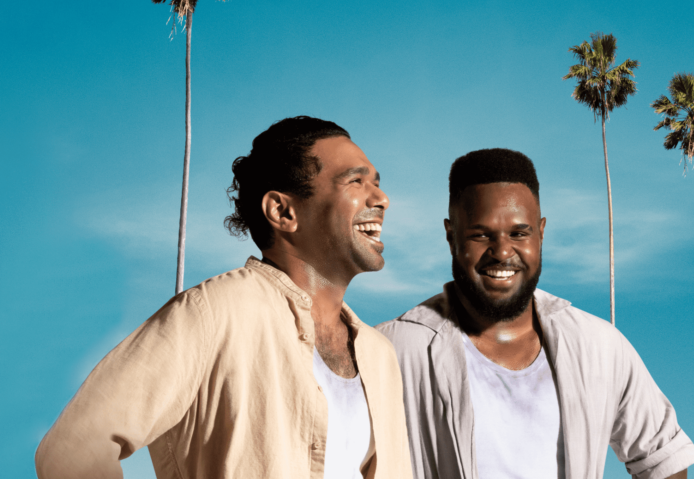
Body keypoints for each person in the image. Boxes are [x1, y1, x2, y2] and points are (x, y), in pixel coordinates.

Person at [36, 116, 412, 479]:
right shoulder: (214, 313)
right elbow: (73, 452)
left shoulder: (379, 355)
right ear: (282, 211)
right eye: (355, 182)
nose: (381, 198)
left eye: (376, 182)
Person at [377, 148, 694, 479]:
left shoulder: (600, 347)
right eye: (481, 234)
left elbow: (663, 459)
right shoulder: (392, 350)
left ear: (540, 233)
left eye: (518, 233)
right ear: (450, 235)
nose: (502, 252)